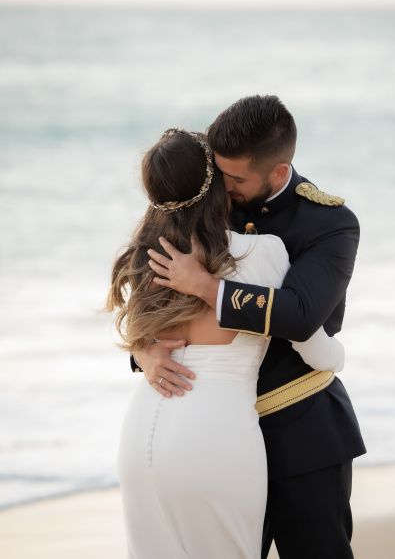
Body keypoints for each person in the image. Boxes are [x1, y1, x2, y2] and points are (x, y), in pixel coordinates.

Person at [139, 96, 366, 559]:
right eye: (218, 174)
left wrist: (207, 287)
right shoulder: (208, 198)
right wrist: (143, 349)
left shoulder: (328, 224)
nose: (222, 189)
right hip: (215, 437)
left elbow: (301, 313)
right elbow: (154, 286)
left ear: (278, 173)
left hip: (300, 431)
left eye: (236, 179)